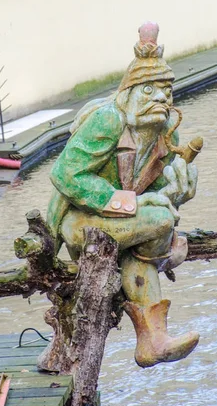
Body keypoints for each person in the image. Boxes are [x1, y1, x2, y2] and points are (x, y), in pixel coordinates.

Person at [47, 22, 200, 367]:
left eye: (167, 92)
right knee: (159, 221)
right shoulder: (109, 120)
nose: (160, 99)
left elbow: (153, 188)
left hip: (118, 225)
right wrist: (129, 202)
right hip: (80, 222)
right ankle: (159, 257)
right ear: (129, 92)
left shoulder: (158, 130)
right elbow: (65, 174)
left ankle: (153, 341)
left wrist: (179, 190)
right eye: (149, 91)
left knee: (153, 229)